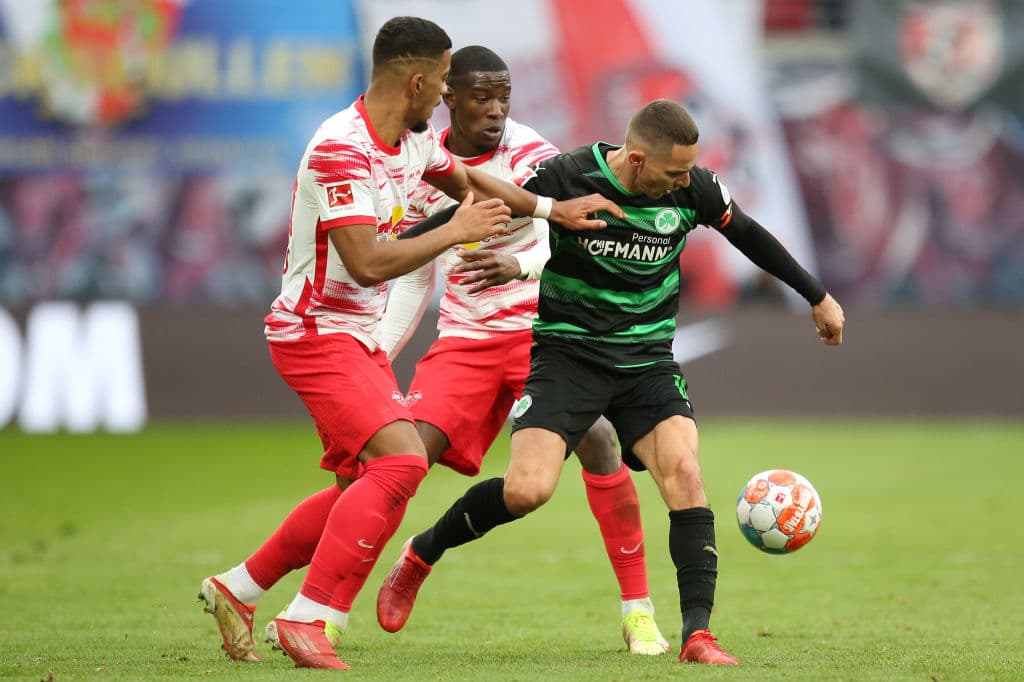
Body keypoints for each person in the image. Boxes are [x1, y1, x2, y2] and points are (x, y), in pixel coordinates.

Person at [197, 17, 620, 671]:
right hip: (316, 333)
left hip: (355, 338)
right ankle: (308, 618)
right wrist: (455, 234)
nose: (450, 93)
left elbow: (474, 186)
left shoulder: (414, 140)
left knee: (363, 484)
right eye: (446, 80)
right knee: (402, 464)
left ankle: (239, 587)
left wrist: (550, 212)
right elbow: (366, 262)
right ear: (420, 81)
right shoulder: (342, 148)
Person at [376, 98, 846, 667]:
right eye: (674, 171)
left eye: (688, 171)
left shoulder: (692, 187)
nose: (684, 181)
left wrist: (816, 296)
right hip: (567, 357)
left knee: (685, 473)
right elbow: (488, 202)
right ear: (638, 159)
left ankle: (699, 635)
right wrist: (392, 251)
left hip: (646, 361)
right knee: (528, 490)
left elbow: (748, 233)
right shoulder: (569, 176)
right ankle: (422, 552)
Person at [375, 45, 669, 655]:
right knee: (396, 464)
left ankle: (638, 609)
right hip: (465, 339)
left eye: (504, 97)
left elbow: (557, 239)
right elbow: (411, 272)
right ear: (447, 97)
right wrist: (375, 352)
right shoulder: (419, 162)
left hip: (543, 336)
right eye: (482, 98)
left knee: (599, 442)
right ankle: (323, 607)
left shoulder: (534, 154)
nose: (496, 110)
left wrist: (517, 265)